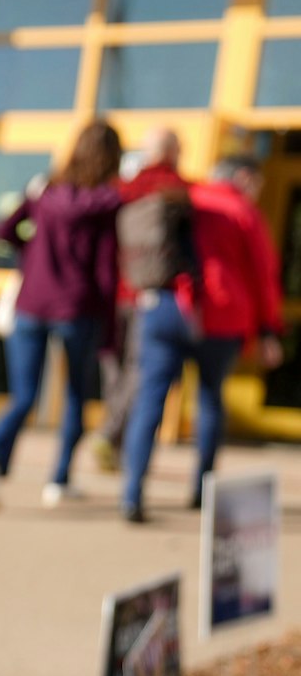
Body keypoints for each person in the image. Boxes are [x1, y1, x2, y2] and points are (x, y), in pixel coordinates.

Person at [118, 155, 287, 523]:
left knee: (151, 399)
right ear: (244, 177)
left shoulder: (181, 199)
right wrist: (269, 330)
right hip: (221, 314)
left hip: (166, 308)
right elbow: (264, 274)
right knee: (210, 398)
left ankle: (132, 492)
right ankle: (202, 491)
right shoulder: (241, 210)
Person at [0, 120, 123, 511]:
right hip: (78, 308)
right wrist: (110, 329)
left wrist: (32, 250)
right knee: (75, 397)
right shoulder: (107, 203)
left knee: (24, 396)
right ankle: (59, 480)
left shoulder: (44, 190)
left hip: (31, 304)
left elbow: (3, 230)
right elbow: (107, 271)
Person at [88, 126, 196, 474]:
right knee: (140, 372)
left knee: (115, 369)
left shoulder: (122, 189)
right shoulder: (181, 190)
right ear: (174, 151)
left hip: (114, 292)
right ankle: (112, 435)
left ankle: (113, 437)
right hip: (152, 296)